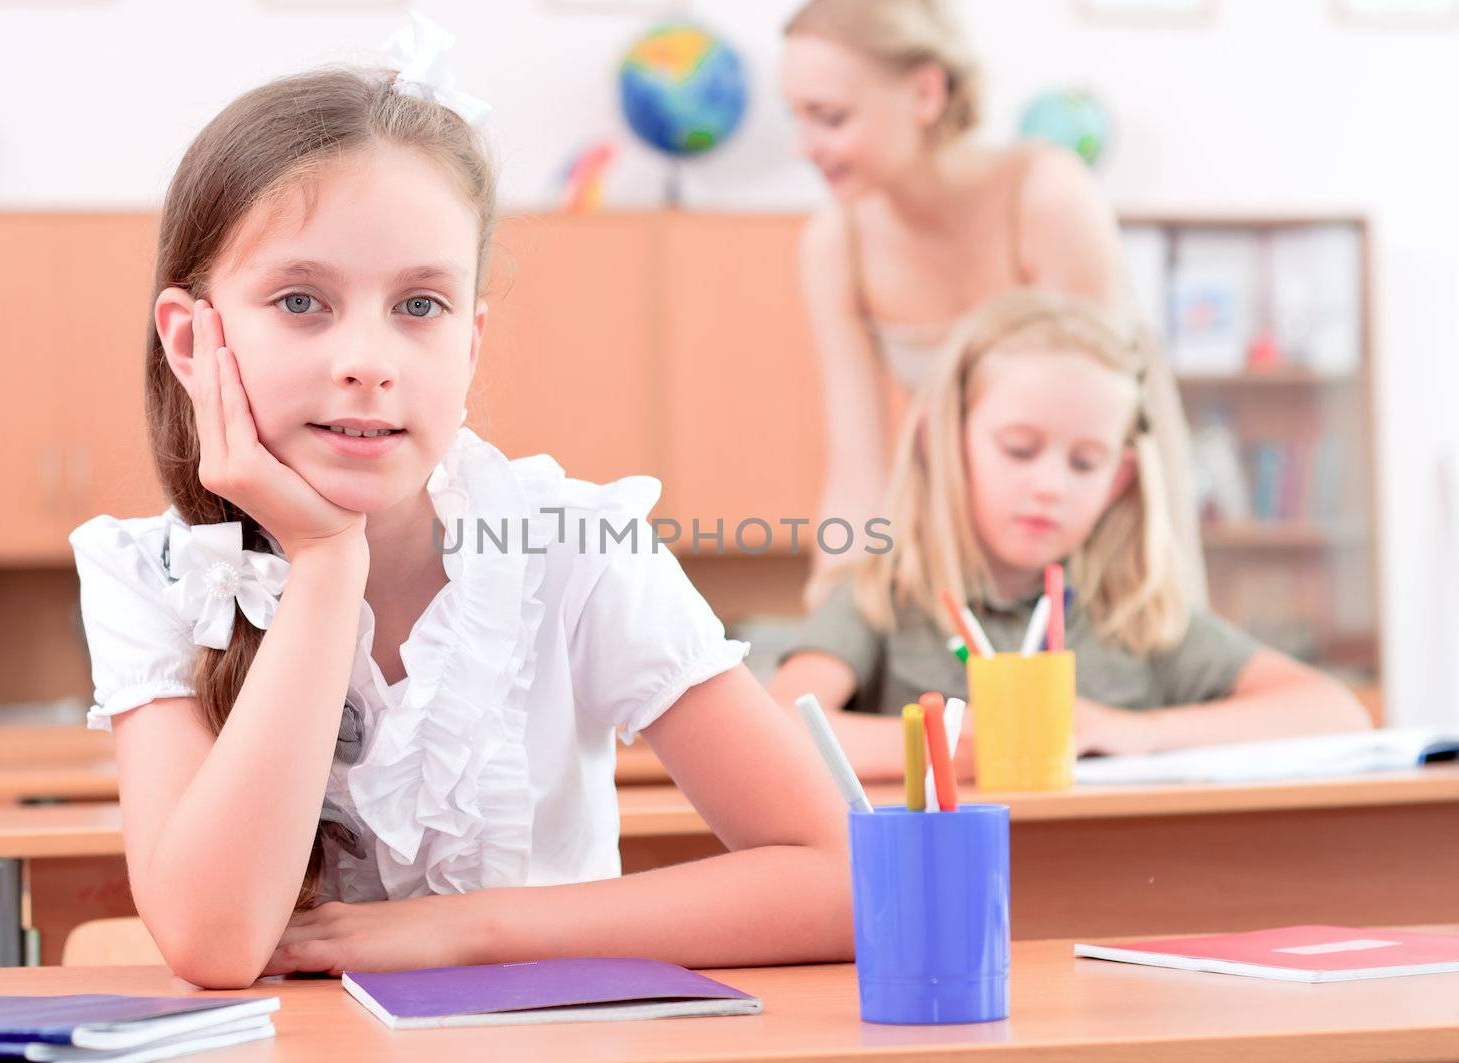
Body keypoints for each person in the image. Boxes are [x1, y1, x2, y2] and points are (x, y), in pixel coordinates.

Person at [68, 37, 849, 991]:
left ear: (471, 342)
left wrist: (469, 929)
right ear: (192, 339)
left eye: (421, 304)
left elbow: (841, 880)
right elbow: (215, 941)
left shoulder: (571, 542)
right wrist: (324, 566)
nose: (369, 358)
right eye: (302, 300)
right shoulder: (148, 573)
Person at [768, 291, 1369, 780]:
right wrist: (964, 745)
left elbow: (1334, 712)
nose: (1051, 485)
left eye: (1085, 463)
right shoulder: (884, 595)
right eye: (1020, 449)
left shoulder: (1132, 615)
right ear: (944, 444)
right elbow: (780, 731)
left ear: (1118, 480)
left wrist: (1134, 732)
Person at [778, 0, 1204, 604]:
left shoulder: (1046, 197)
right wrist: (835, 612)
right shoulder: (834, 242)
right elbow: (857, 474)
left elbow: (1091, 447)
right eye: (795, 117)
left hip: (1105, 523)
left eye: (829, 117)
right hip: (975, 526)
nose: (802, 146)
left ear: (926, 93)